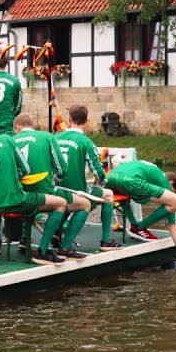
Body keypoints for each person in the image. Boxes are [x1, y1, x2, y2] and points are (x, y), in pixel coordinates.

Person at [0, 121, 86, 265]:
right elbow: (25, 169)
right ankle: (42, 252)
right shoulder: (6, 139)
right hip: (16, 201)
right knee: (61, 203)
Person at [11, 113, 91, 258]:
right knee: (85, 204)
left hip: (19, 196)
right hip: (43, 195)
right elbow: (62, 169)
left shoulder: (11, 141)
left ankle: (24, 238)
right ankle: (62, 248)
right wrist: (54, 180)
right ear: (32, 126)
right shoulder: (47, 136)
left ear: (17, 127)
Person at [55, 105, 120, 251]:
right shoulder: (86, 142)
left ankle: (57, 231)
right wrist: (102, 180)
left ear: (69, 119)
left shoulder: (55, 138)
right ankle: (106, 241)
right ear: (86, 121)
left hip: (54, 189)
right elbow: (99, 173)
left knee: (70, 201)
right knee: (108, 195)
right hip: (75, 191)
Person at [105, 159, 176, 262]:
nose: (170, 194)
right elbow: (172, 223)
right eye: (173, 192)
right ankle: (140, 228)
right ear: (171, 183)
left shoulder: (153, 172)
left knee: (126, 192)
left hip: (110, 177)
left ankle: (134, 225)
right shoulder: (165, 182)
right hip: (129, 180)